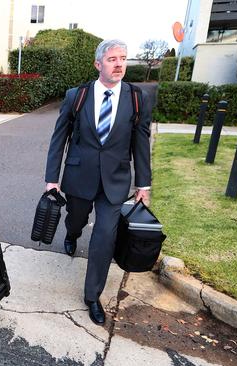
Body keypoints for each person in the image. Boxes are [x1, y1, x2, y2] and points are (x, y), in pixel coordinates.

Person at [44, 39, 152, 325]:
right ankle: (71, 234)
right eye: (112, 59)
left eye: (123, 58)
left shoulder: (138, 98)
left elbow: (141, 143)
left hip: (115, 181)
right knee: (76, 219)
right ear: (98, 64)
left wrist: (144, 185)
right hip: (80, 176)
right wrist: (51, 180)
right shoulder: (76, 96)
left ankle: (92, 296)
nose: (119, 64)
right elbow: (59, 138)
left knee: (105, 236)